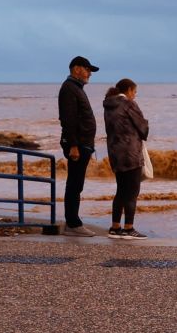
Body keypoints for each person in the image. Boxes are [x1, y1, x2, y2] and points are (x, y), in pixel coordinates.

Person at [102, 76, 151, 237]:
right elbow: (143, 129)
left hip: (115, 153)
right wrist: (146, 123)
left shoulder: (108, 105)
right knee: (132, 192)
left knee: (121, 190)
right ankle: (129, 228)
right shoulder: (129, 104)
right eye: (134, 92)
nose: (135, 95)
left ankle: (115, 227)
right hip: (130, 153)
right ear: (128, 90)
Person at [57, 55, 99, 235]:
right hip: (78, 145)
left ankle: (73, 223)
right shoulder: (69, 88)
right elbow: (68, 119)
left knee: (77, 184)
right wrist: (73, 145)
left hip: (83, 144)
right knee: (74, 184)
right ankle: (73, 224)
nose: (89, 73)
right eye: (87, 69)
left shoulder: (76, 88)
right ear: (76, 69)